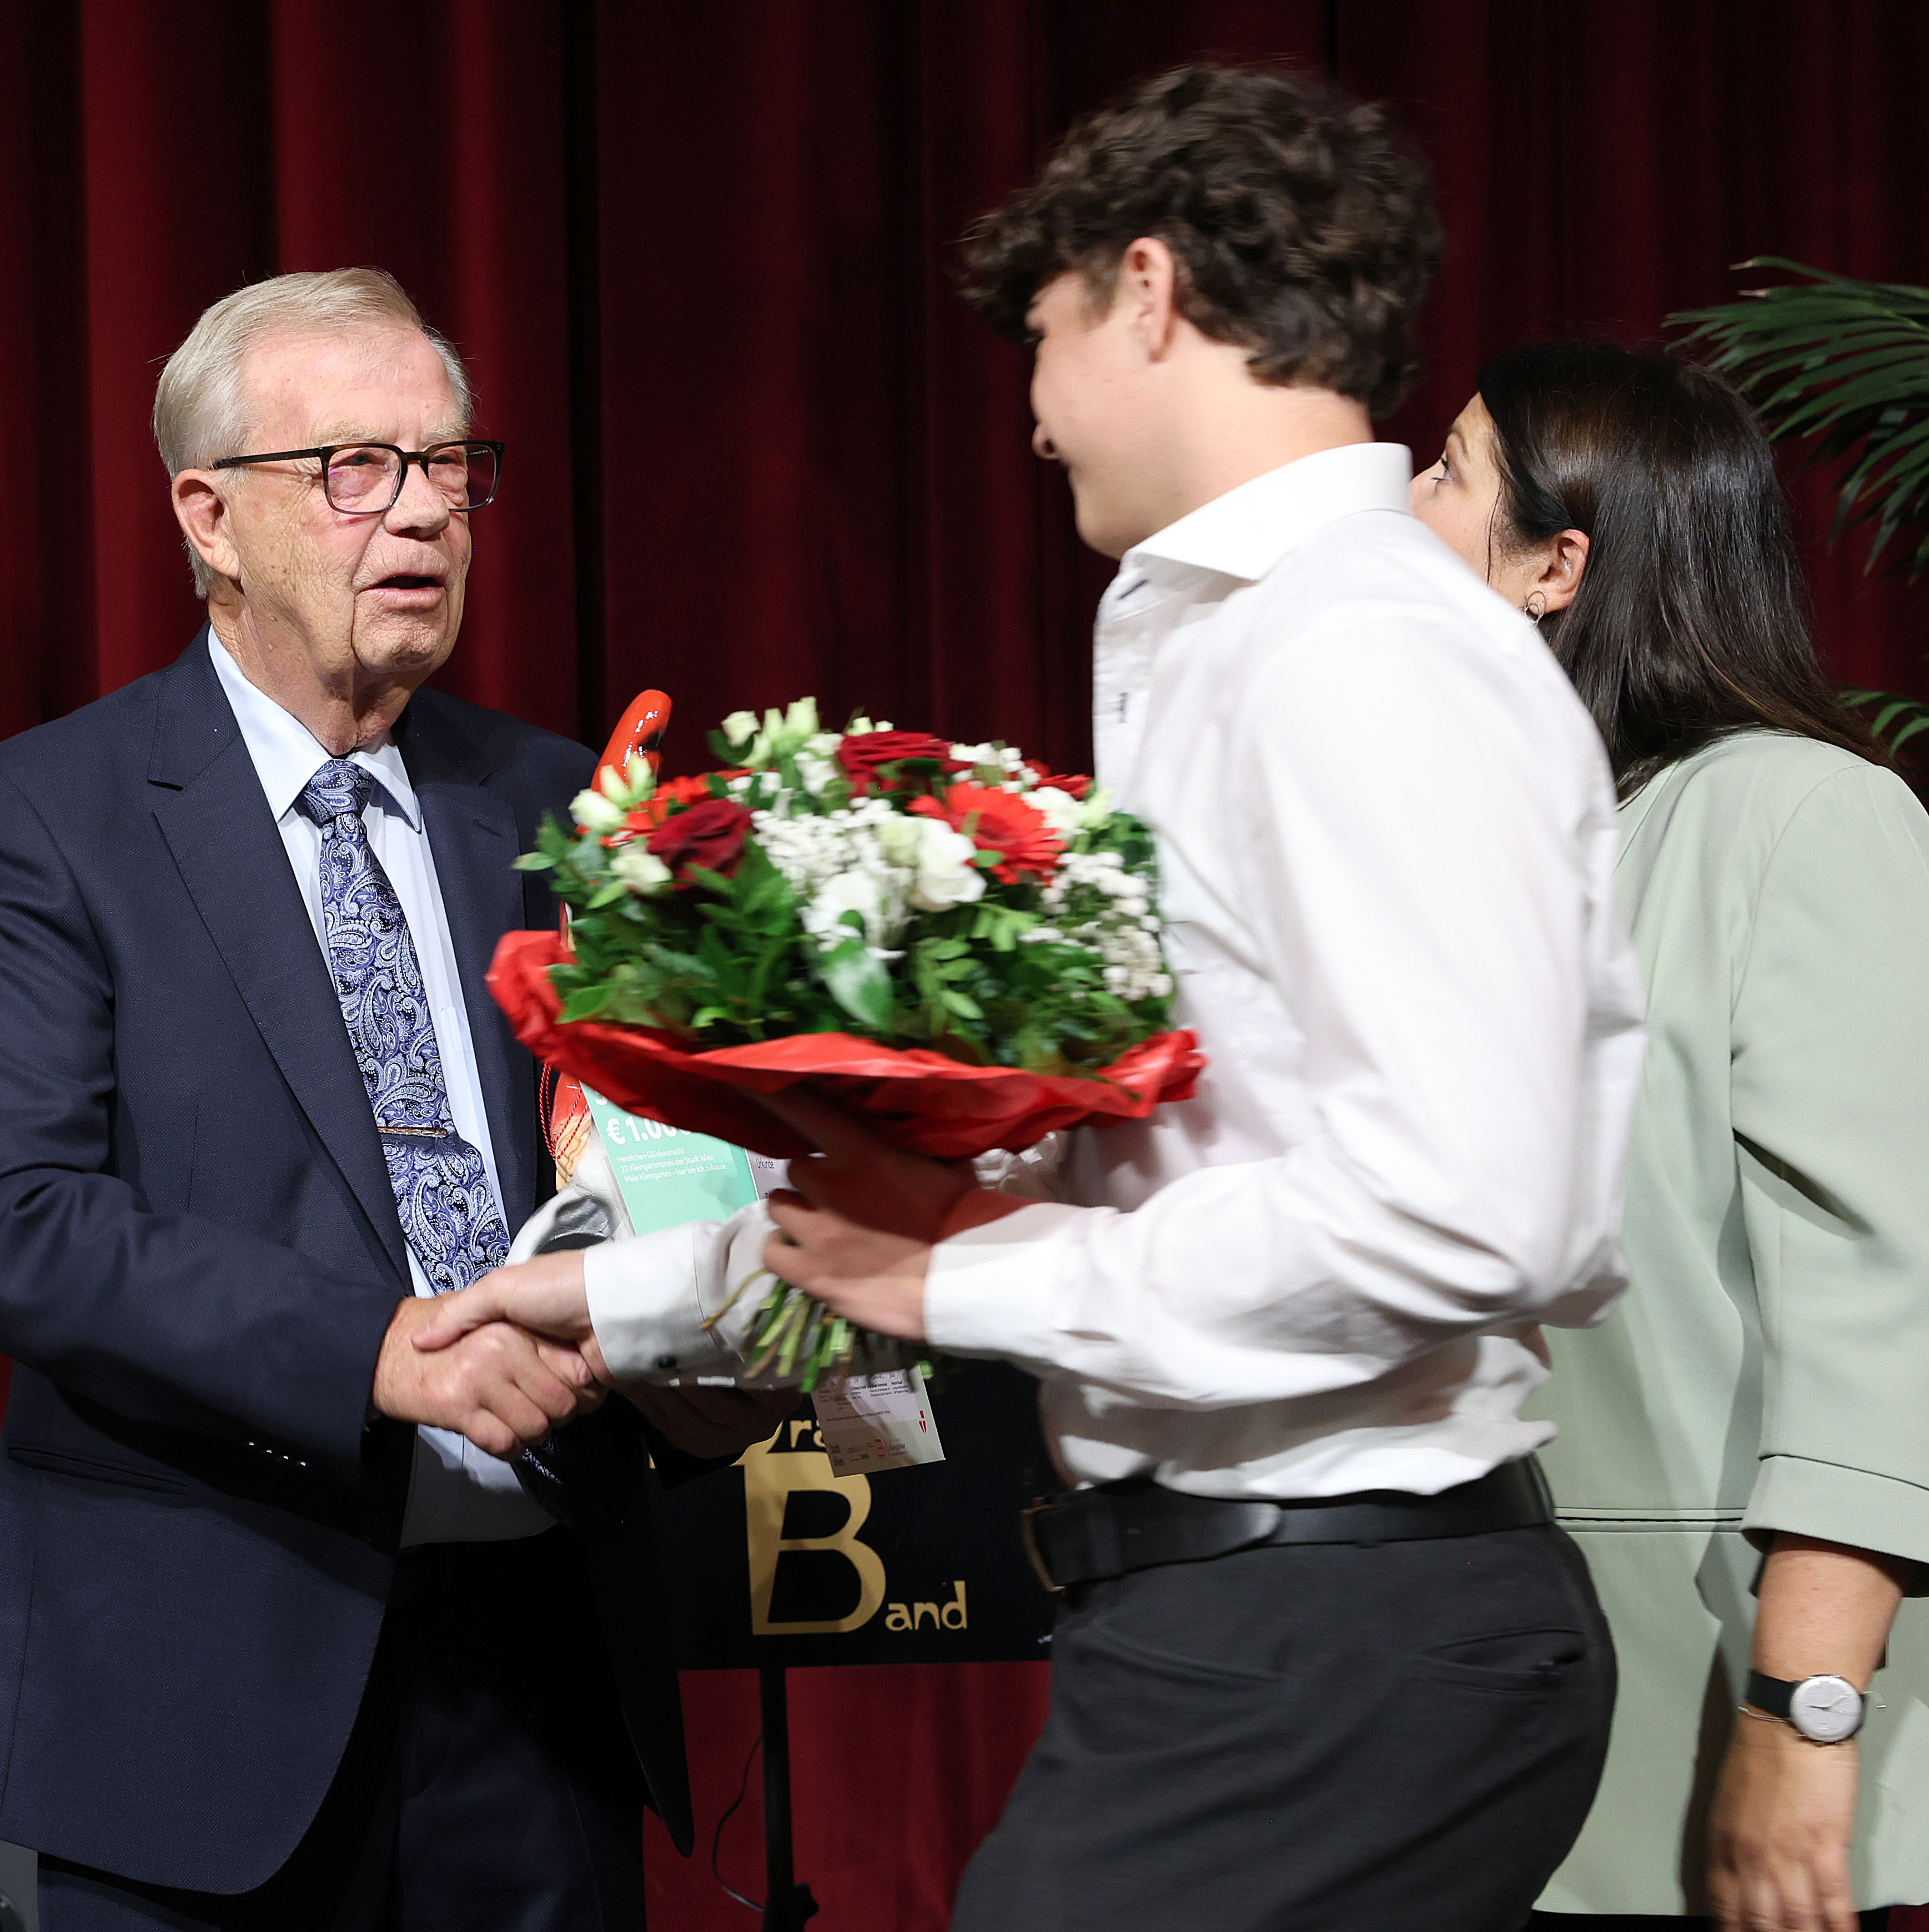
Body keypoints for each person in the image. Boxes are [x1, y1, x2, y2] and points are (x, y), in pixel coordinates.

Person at [424, 66, 1649, 1930]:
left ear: (1145, 292)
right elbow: (1148, 1182)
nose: (1028, 413)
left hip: (1325, 1634)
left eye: (1046, 332)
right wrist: (624, 1293)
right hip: (1245, 1633)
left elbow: (1472, 1210)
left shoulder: (1362, 652)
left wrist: (956, 1278)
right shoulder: (1259, 639)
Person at [0, 268, 788, 1932]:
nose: (425, 516)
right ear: (209, 517)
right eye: (354, 469)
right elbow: (8, 1223)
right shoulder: (47, 816)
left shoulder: (557, 802)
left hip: (540, 1675)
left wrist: (688, 1310)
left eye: (451, 467)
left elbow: (659, 1153)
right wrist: (374, 1351)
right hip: (206, 1686)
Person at [1410, 341, 1929, 1932]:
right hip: (1479, 1724)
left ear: (1555, 566)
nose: (1396, 506)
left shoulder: (1791, 814)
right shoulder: (1490, 847)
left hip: (1714, 1715)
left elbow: (1880, 1308)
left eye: (1440, 472)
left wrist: (1800, 1714)